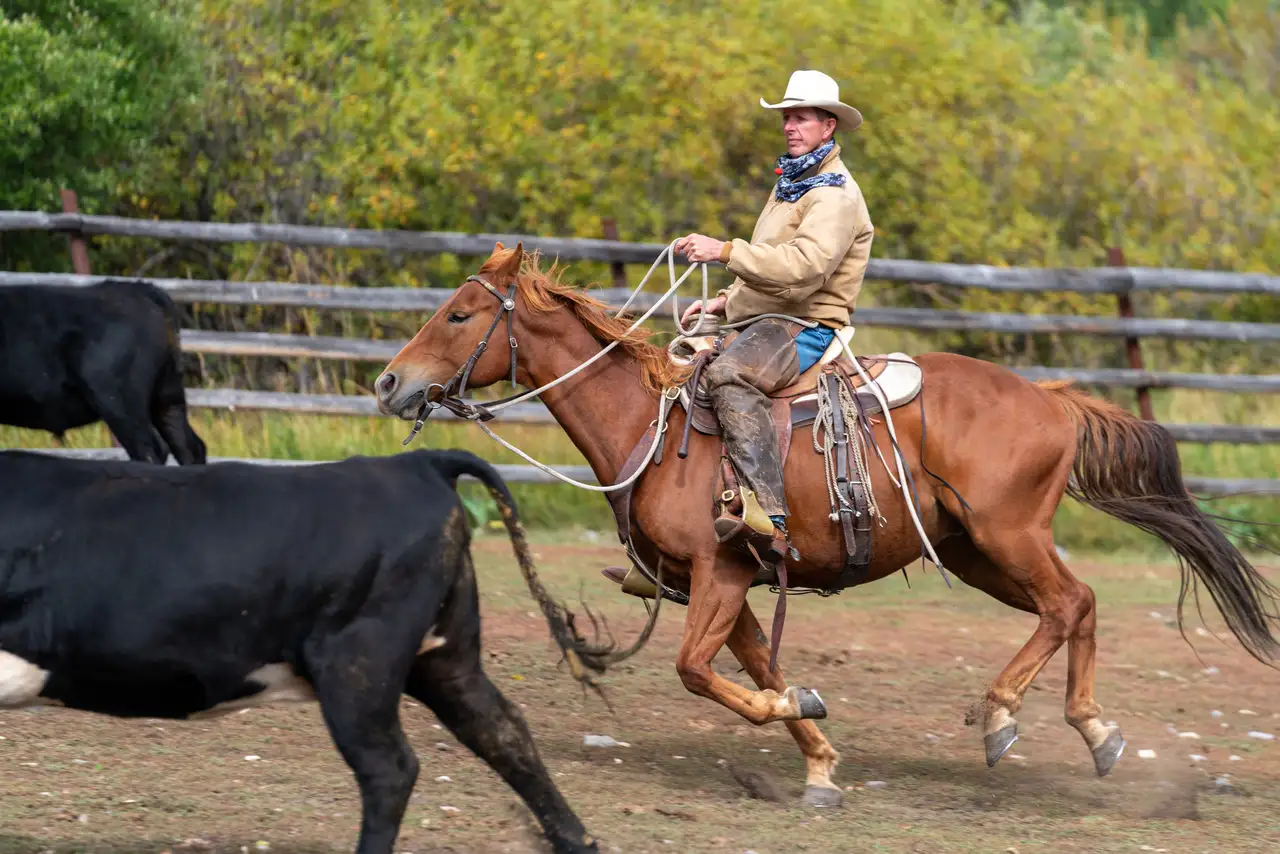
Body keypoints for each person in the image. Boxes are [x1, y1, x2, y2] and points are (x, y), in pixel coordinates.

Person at [673, 69, 874, 564]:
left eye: (801, 116)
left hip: (807, 325)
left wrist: (723, 250)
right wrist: (725, 303)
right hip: (768, 319)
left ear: (828, 126)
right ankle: (674, 537)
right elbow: (769, 266)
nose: (790, 125)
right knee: (675, 368)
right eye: (787, 116)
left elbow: (803, 272)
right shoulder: (794, 182)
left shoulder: (834, 196)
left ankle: (768, 516)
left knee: (730, 375)